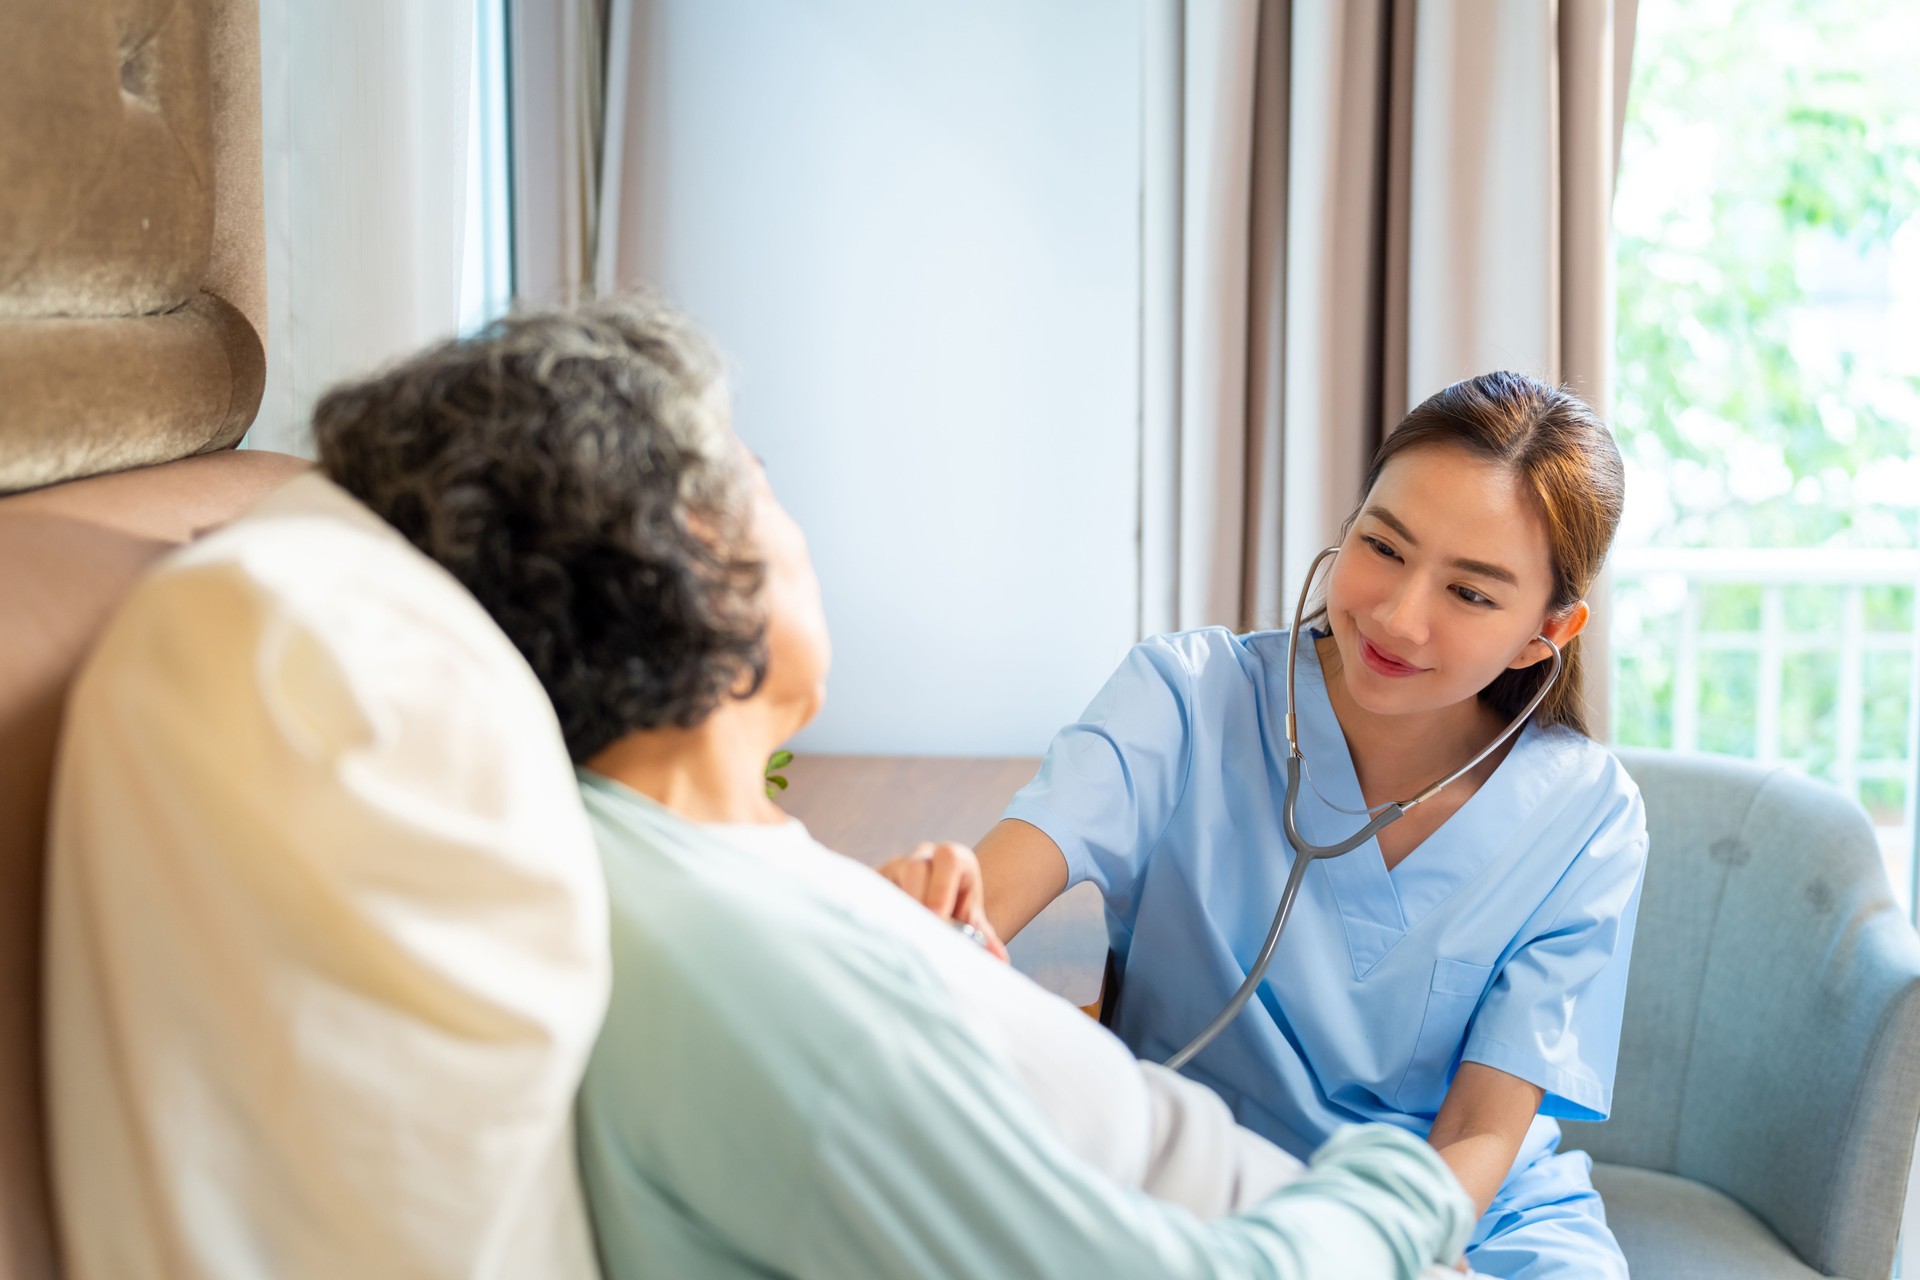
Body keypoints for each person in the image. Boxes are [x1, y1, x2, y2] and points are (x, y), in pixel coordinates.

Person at [311, 298, 1480, 1278]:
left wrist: (953, 978)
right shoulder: (743, 965)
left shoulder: (694, 857)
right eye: (757, 479)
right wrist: (1397, 1183)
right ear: (695, 552)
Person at [942, 373, 1648, 1280]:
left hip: (1456, 1219)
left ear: (1544, 634)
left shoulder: (1587, 819)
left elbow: (1480, 1128)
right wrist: (938, 912)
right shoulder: (1185, 698)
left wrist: (1398, 1251)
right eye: (1383, 546)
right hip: (1205, 1189)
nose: (1399, 616)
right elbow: (989, 896)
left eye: (1470, 595)